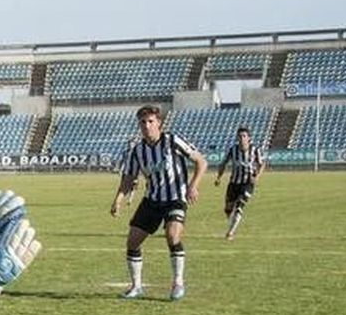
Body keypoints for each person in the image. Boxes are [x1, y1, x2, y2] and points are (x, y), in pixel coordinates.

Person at [110, 105, 206, 300]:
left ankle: (178, 283)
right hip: (152, 200)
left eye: (151, 121)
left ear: (159, 123)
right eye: (143, 122)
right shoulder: (137, 151)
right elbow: (128, 178)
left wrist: (193, 186)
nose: (147, 126)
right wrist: (118, 200)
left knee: (172, 235)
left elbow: (201, 162)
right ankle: (136, 286)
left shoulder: (172, 141)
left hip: (175, 199)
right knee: (133, 242)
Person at [213, 125, 265, 241]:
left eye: (244, 136)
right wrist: (219, 178)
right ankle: (232, 221)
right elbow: (223, 164)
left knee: (239, 207)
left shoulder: (255, 150)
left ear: (249, 138)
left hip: (247, 183)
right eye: (240, 136)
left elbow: (261, 164)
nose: (242, 138)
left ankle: (230, 233)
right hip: (233, 183)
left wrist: (257, 177)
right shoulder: (232, 150)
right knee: (228, 209)